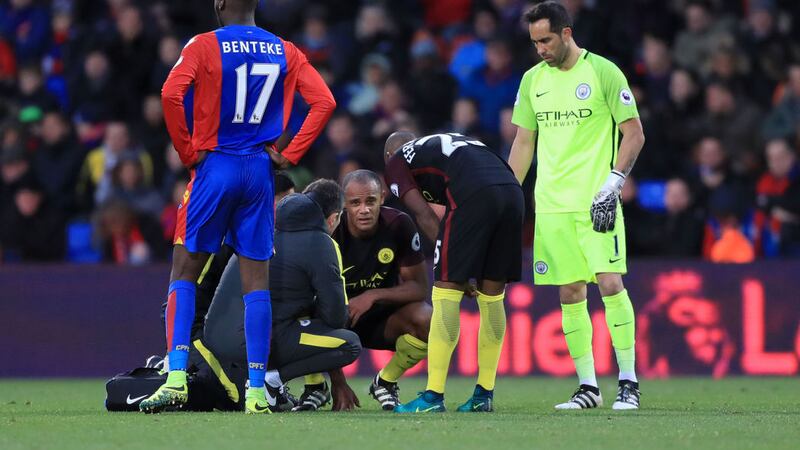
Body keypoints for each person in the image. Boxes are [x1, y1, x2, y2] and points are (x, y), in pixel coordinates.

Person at [140, 0, 335, 414]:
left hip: (217, 163)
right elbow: (324, 102)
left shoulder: (204, 44)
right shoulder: (285, 50)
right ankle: (256, 390)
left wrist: (187, 151)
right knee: (256, 283)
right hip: (259, 171)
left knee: (185, 271)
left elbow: (171, 93)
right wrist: (291, 153)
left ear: (220, 4)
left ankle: (175, 377)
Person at [508, 1, 646, 410]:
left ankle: (628, 381)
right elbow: (523, 142)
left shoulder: (603, 71)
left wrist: (614, 183)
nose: (541, 49)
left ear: (566, 33)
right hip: (550, 205)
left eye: (546, 40)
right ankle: (588, 386)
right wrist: (508, 192)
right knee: (569, 292)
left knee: (609, 283)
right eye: (535, 43)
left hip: (596, 202)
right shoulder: (533, 80)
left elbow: (634, 133)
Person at [383, 131, 524, 413]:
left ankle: (433, 397)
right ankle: (483, 395)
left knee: (446, 292)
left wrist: (454, 264)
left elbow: (423, 214)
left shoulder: (396, 161)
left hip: (475, 192)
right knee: (492, 297)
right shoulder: (445, 144)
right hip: (513, 192)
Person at [200, 179, 361, 413]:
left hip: (215, 338)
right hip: (250, 340)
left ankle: (269, 382)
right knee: (349, 343)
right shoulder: (321, 243)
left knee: (291, 322)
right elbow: (336, 317)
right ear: (333, 218)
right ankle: (273, 381)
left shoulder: (261, 233)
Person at [325, 169, 430, 411]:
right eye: (355, 203)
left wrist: (372, 295)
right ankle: (316, 386)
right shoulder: (330, 233)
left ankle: (386, 381)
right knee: (303, 313)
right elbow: (316, 301)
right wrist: (339, 382)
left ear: (382, 198)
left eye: (370, 201)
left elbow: (419, 287)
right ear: (344, 205)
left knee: (429, 321)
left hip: (383, 320)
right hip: (336, 322)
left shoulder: (398, 225)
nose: (364, 209)